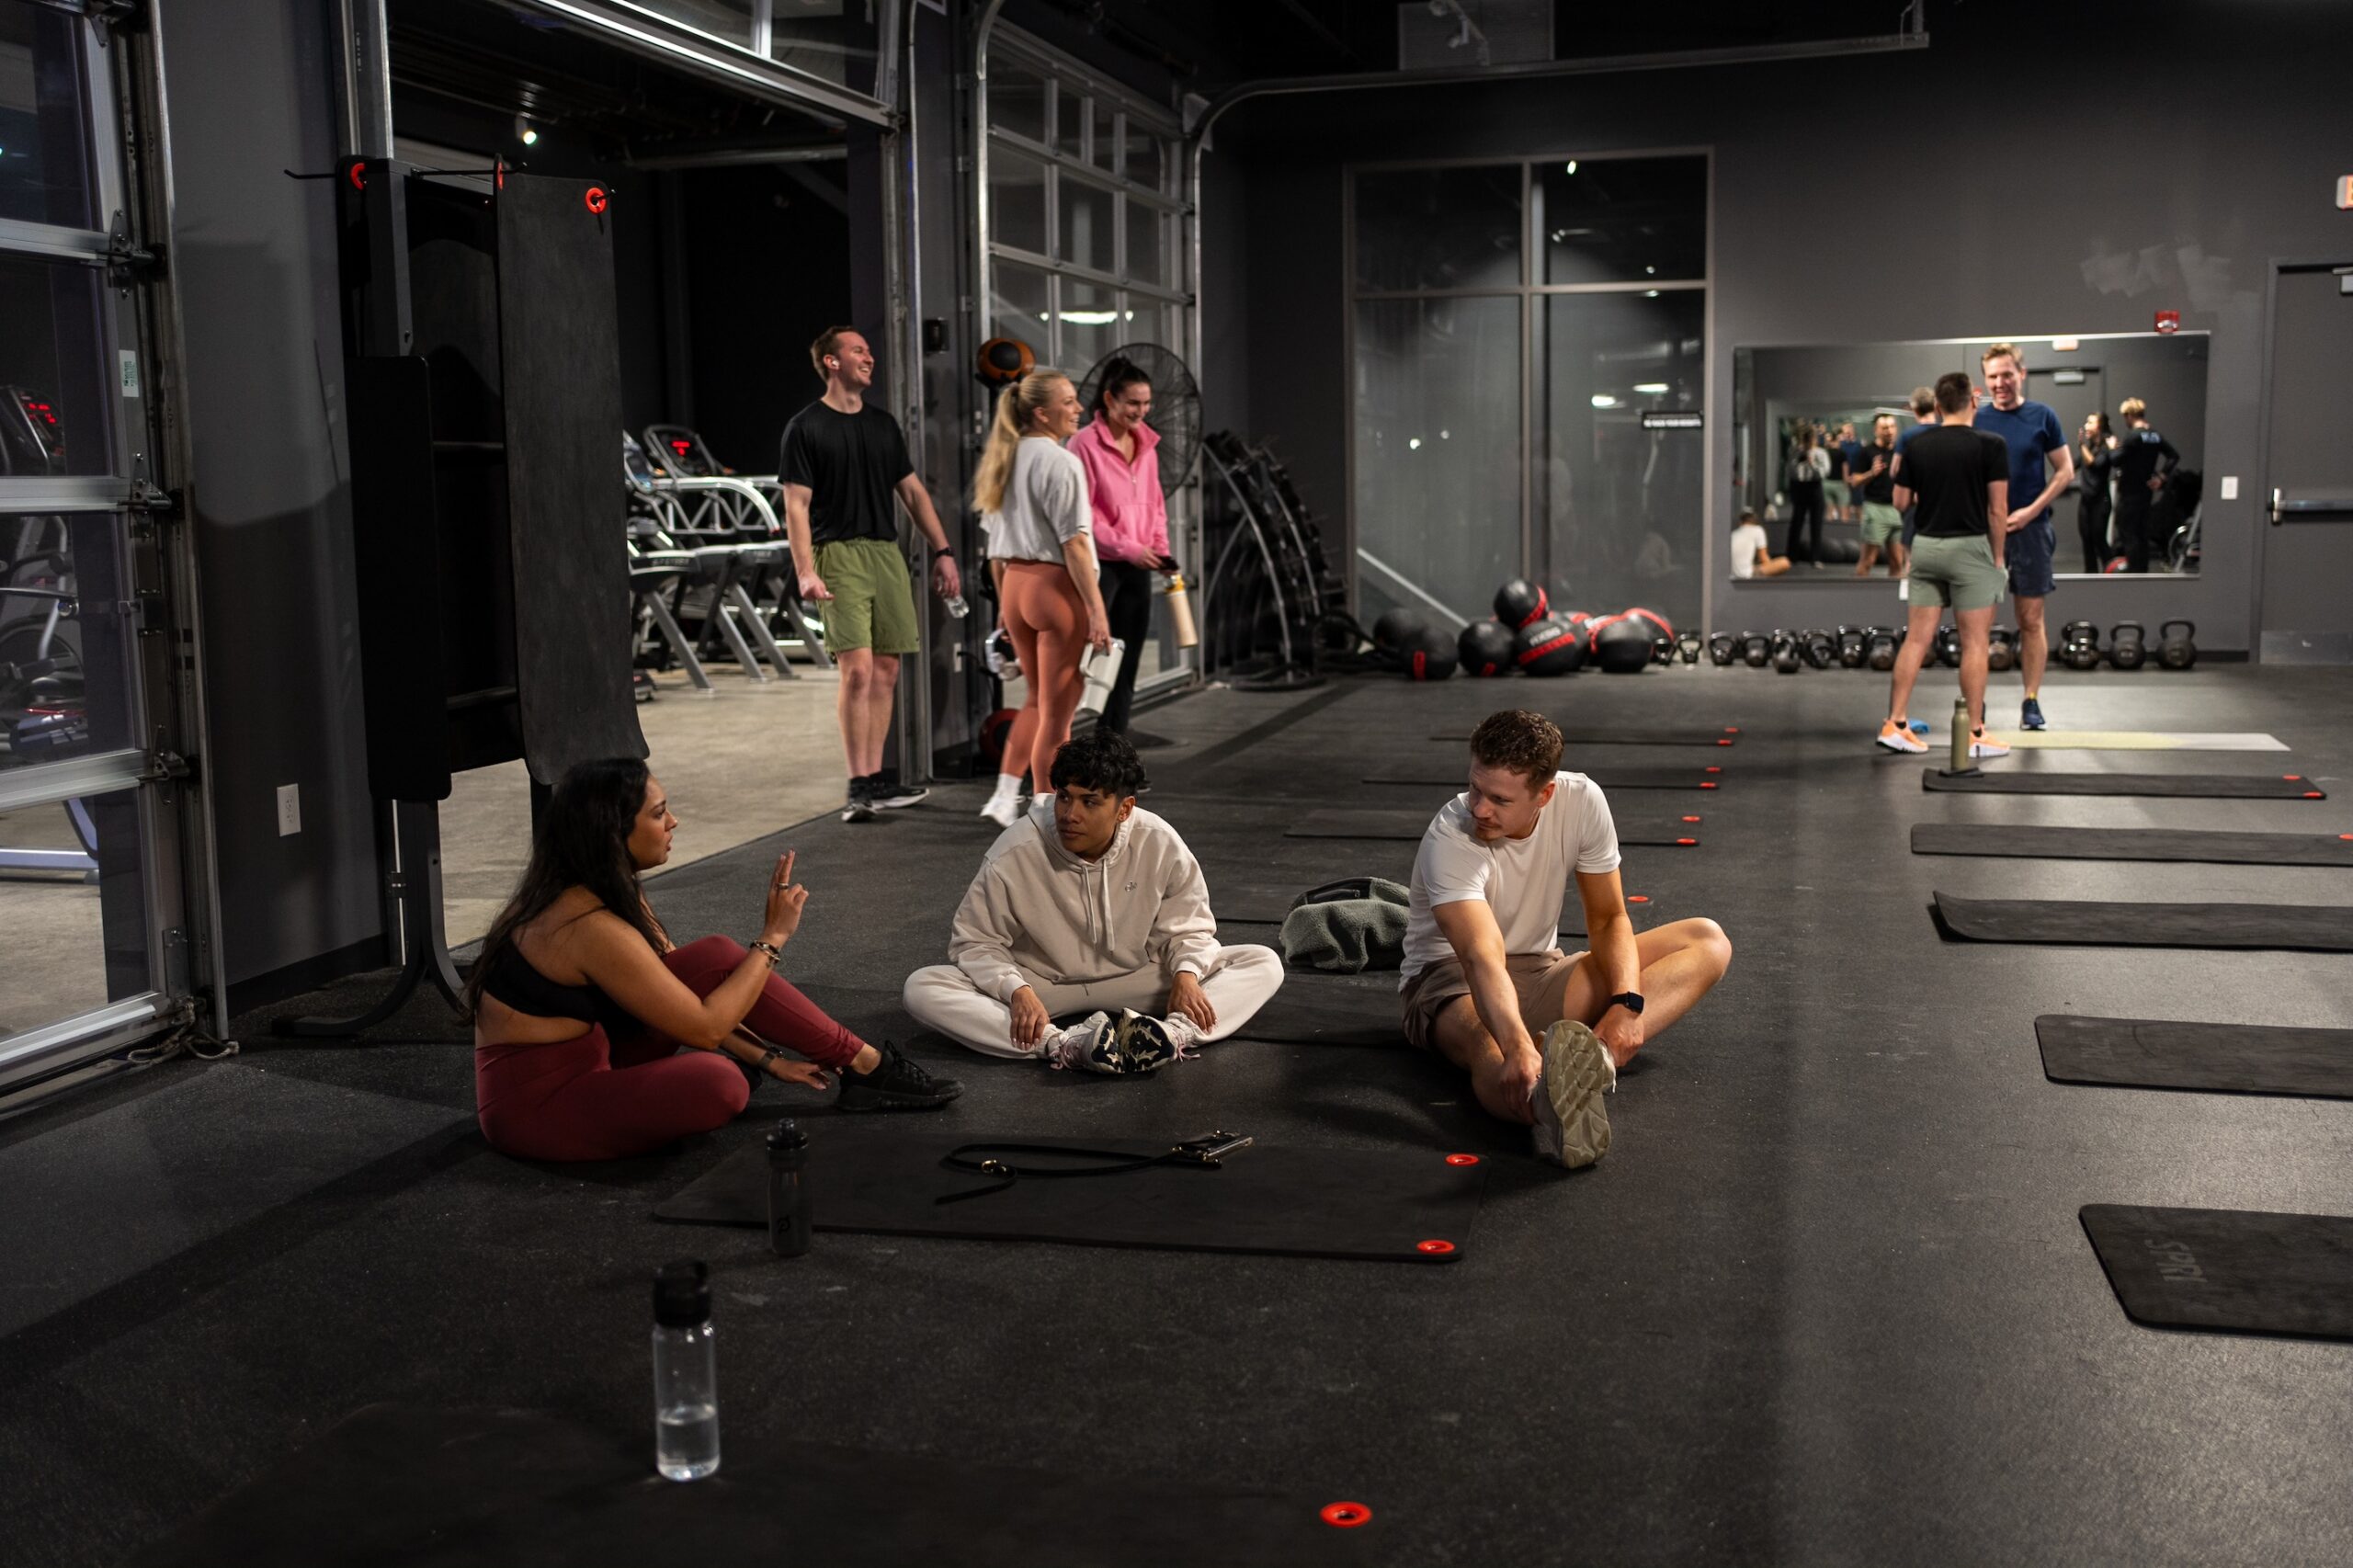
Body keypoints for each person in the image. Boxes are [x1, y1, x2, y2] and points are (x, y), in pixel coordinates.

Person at [470, 758, 960, 1164]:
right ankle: (856, 1069)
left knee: (714, 957)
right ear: (613, 831)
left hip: (598, 1051)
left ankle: (865, 1065)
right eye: (659, 813)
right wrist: (772, 938)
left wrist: (768, 1059)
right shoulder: (586, 926)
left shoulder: (599, 888)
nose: (674, 822)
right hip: (538, 1107)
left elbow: (688, 994)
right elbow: (702, 1028)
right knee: (718, 1081)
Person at [1401, 710, 1731, 1168]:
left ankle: (1591, 1062)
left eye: (1499, 798)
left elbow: (1610, 916)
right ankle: (1545, 1103)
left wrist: (1627, 1004)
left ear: (1545, 794)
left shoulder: (1580, 800)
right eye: (1474, 787)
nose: (1479, 808)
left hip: (1542, 970)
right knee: (1490, 1046)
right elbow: (1481, 957)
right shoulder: (1450, 838)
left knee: (1706, 940)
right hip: (1449, 980)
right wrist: (1517, 1046)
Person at [903, 729, 1283, 1072]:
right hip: (1044, 983)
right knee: (924, 987)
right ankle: (1063, 1045)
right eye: (1064, 797)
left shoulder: (1159, 841)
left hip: (1139, 978)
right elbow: (975, 941)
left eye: (1089, 802)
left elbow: (1190, 926)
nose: (1070, 814)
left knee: (1261, 961)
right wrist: (1014, 990)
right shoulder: (1015, 851)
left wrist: (1186, 974)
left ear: (1124, 808)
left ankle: (1170, 1036)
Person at [779, 327, 964, 824]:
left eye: (867, 350)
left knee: (887, 670)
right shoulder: (806, 427)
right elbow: (796, 505)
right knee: (857, 670)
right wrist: (805, 571)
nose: (869, 357)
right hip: (836, 554)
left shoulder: (883, 426)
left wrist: (943, 551)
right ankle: (858, 784)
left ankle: (877, 779)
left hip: (886, 555)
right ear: (831, 362)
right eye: (857, 350)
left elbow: (913, 494)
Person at [973, 369, 1114, 828]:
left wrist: (1002, 609)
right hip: (1054, 590)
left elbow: (994, 550)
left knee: (1037, 700)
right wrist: (1096, 609)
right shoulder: (1061, 461)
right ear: (1041, 412)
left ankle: (1010, 797)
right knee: (1059, 716)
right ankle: (1046, 811)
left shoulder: (1004, 459)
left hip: (1014, 585)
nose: (1078, 409)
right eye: (1069, 402)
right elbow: (1074, 542)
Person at [1878, 372, 2012, 761]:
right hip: (1970, 549)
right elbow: (1998, 509)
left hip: (1926, 547)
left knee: (1916, 639)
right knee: (1974, 643)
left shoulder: (1917, 444)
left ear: (1937, 406)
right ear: (1975, 399)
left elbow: (1900, 503)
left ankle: (1895, 723)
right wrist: (1998, 557)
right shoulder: (1991, 445)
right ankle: (1973, 733)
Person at [1067, 358, 1174, 735]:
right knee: (1085, 660)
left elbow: (1155, 505)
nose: (1141, 412)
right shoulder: (1083, 445)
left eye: (1146, 404)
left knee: (1126, 664)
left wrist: (1159, 550)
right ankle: (1057, 752)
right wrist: (1128, 547)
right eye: (1133, 403)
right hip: (1100, 567)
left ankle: (1113, 748)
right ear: (1109, 399)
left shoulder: (1148, 446)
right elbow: (1084, 514)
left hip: (1138, 568)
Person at [1973, 343, 2074, 730]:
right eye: (1993, 377)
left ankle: (2031, 701)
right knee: (1978, 623)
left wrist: (2031, 510)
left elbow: (2066, 471)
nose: (2000, 383)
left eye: (2006, 375)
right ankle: (1976, 704)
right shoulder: (1977, 421)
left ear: (2022, 373)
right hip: (1985, 533)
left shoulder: (2042, 416)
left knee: (2030, 620)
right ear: (1985, 380)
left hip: (2031, 530)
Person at [2109, 398, 2179, 574]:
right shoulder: (2154, 435)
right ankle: (2142, 571)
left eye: (2125, 416)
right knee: (2141, 533)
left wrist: (2112, 448)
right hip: (2145, 492)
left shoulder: (2133, 436)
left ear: (2130, 415)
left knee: (2128, 531)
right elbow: (2173, 456)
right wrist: (2161, 476)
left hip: (2129, 492)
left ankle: (2133, 571)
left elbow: (2115, 460)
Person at [1852, 414, 1905, 578]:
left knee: (1898, 562)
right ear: (1876, 430)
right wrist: (1871, 473)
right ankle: (1855, 598)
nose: (1889, 431)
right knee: (1868, 560)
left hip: (1897, 511)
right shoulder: (1866, 452)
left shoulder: (1900, 452)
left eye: (1892, 427)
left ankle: (1894, 602)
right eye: (1884, 428)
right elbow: (1854, 481)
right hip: (1875, 510)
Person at [1893, 385, 1939, 554]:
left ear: (1914, 409)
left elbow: (1895, 471)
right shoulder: (1945, 433)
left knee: (1911, 558)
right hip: (1939, 507)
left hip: (1914, 507)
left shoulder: (1907, 436)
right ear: (1935, 407)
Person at [2075, 412, 2117, 574]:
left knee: (2098, 538)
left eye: (2090, 422)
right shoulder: (2090, 447)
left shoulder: (2107, 447)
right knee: (2087, 540)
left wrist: (2081, 444)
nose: (2086, 426)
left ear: (2099, 426)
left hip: (2101, 502)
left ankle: (2112, 572)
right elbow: (2075, 464)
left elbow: (2093, 463)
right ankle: (2090, 575)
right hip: (2086, 502)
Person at [1783, 424, 1828, 565]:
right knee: (1796, 523)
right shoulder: (1795, 452)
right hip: (1800, 487)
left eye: (1810, 438)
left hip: (1815, 487)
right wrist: (1799, 460)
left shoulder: (1821, 453)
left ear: (1814, 438)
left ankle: (1816, 558)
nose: (1808, 441)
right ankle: (1791, 557)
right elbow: (1791, 473)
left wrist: (1812, 463)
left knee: (1816, 524)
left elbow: (1824, 473)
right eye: (1805, 438)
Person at [1729, 506, 1790, 578]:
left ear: (1741, 521)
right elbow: (1764, 558)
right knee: (1785, 562)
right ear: (1755, 520)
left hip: (1733, 574)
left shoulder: (1733, 534)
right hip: (1747, 574)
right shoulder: (1758, 530)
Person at [1831, 420, 1866, 523]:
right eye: (1846, 432)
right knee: (1843, 506)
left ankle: (1861, 527)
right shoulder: (1841, 445)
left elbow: (1863, 462)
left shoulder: (1860, 445)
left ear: (1853, 431)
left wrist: (1860, 476)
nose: (1848, 433)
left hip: (1857, 479)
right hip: (1843, 480)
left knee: (1859, 505)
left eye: (1849, 431)